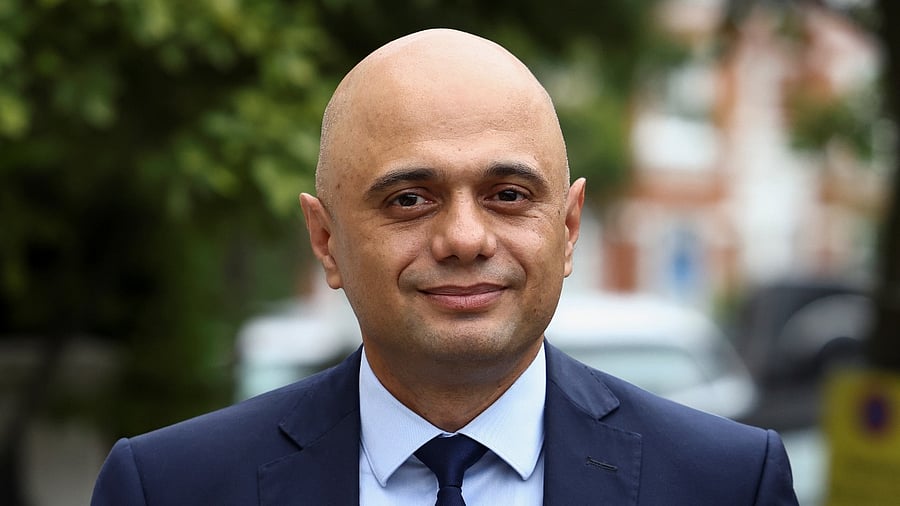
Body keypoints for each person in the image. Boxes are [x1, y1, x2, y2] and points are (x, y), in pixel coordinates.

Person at [91, 28, 798, 505]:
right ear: (326, 239)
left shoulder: (728, 483)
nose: (464, 238)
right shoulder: (170, 487)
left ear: (570, 227)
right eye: (409, 198)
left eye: (508, 195)